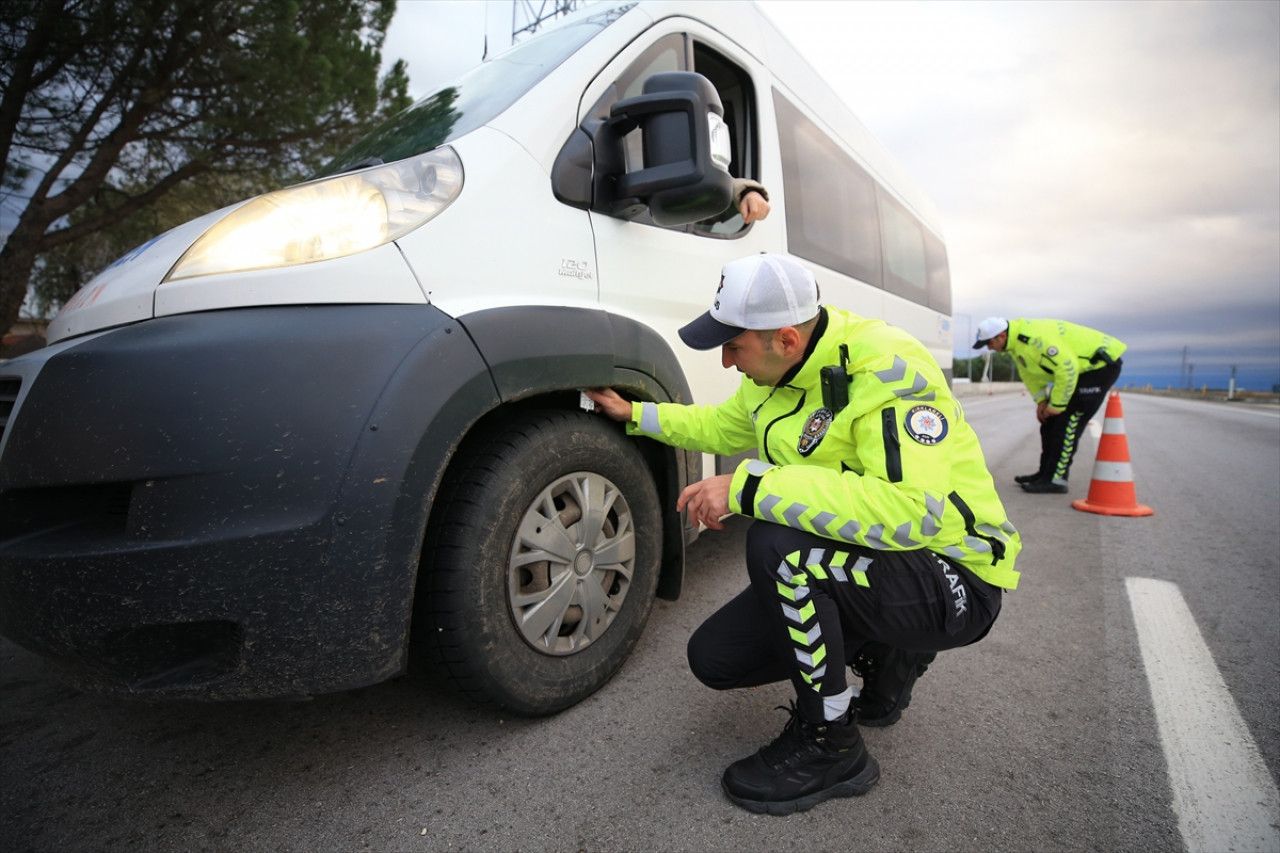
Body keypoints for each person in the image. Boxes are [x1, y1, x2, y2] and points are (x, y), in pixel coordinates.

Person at [586, 254, 1021, 816]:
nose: (725, 359)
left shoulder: (888, 373)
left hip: (952, 576)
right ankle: (891, 653)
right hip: (885, 567)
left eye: (733, 346)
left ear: (786, 339)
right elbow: (722, 424)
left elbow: (914, 515)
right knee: (715, 659)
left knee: (781, 549)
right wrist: (639, 415)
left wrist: (746, 488)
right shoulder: (778, 375)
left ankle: (832, 743)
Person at [972, 317, 1127, 494]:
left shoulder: (1034, 339)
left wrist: (1057, 406)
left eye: (989, 343)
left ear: (1001, 336)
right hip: (1080, 371)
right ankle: (1045, 473)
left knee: (1067, 421)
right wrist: (1042, 402)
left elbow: (1067, 368)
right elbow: (1030, 376)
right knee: (1049, 424)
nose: (989, 348)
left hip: (1099, 366)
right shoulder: (1016, 346)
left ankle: (1056, 479)